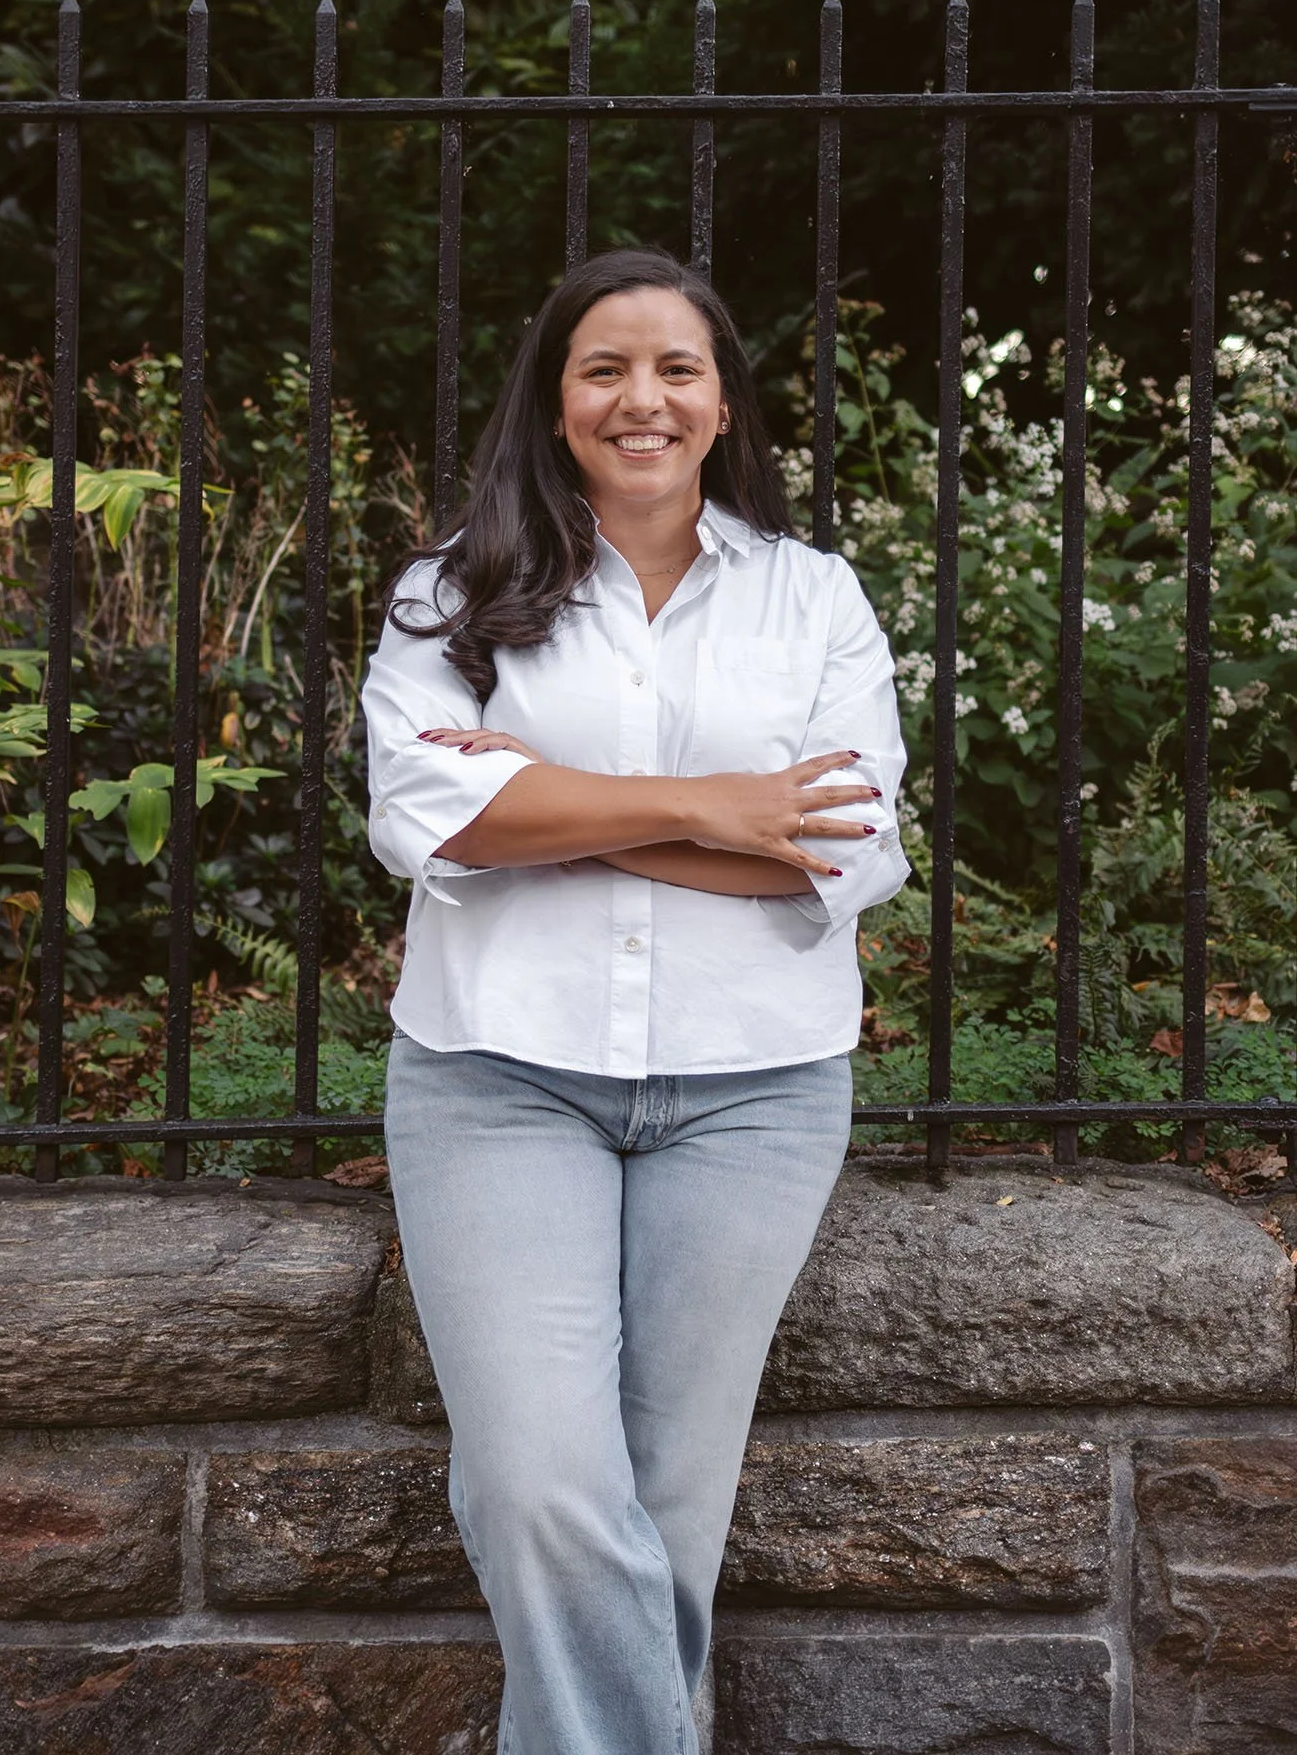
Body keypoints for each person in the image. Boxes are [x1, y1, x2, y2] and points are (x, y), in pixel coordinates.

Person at [361, 246, 910, 1755]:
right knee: (540, 1480)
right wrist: (719, 811)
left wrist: (551, 808)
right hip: (496, 1078)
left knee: (666, 1504)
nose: (640, 397)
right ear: (555, 403)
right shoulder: (450, 589)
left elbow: (841, 851)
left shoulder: (813, 599)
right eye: (604, 367)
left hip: (754, 1088)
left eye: (675, 367)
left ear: (722, 403)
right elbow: (428, 817)